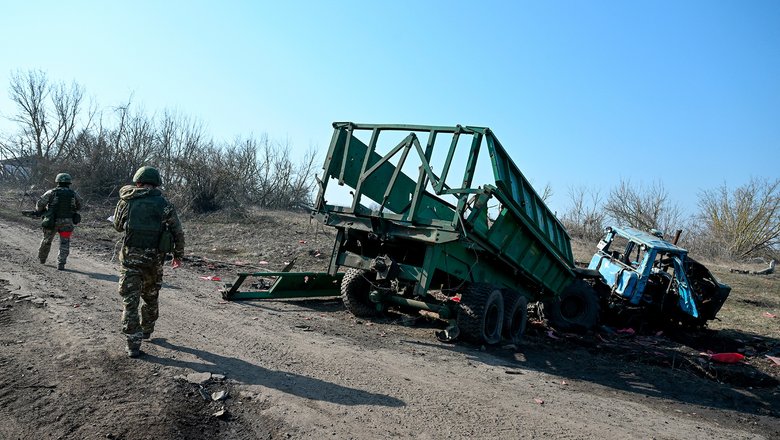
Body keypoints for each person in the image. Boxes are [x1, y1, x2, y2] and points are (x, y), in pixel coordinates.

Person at [113, 166, 185, 358]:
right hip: (154, 261)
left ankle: (133, 344)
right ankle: (147, 329)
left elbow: (118, 227)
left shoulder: (126, 200)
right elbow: (177, 231)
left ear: (137, 182)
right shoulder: (165, 204)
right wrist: (178, 255)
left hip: (130, 260)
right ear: (156, 183)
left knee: (130, 301)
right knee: (151, 297)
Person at [36, 172, 83, 270]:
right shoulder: (73, 194)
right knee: (64, 242)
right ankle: (61, 263)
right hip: (67, 223)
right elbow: (80, 205)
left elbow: (40, 204)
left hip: (52, 221)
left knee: (47, 240)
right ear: (69, 183)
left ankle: (42, 259)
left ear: (57, 181)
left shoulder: (51, 192)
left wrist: (42, 211)